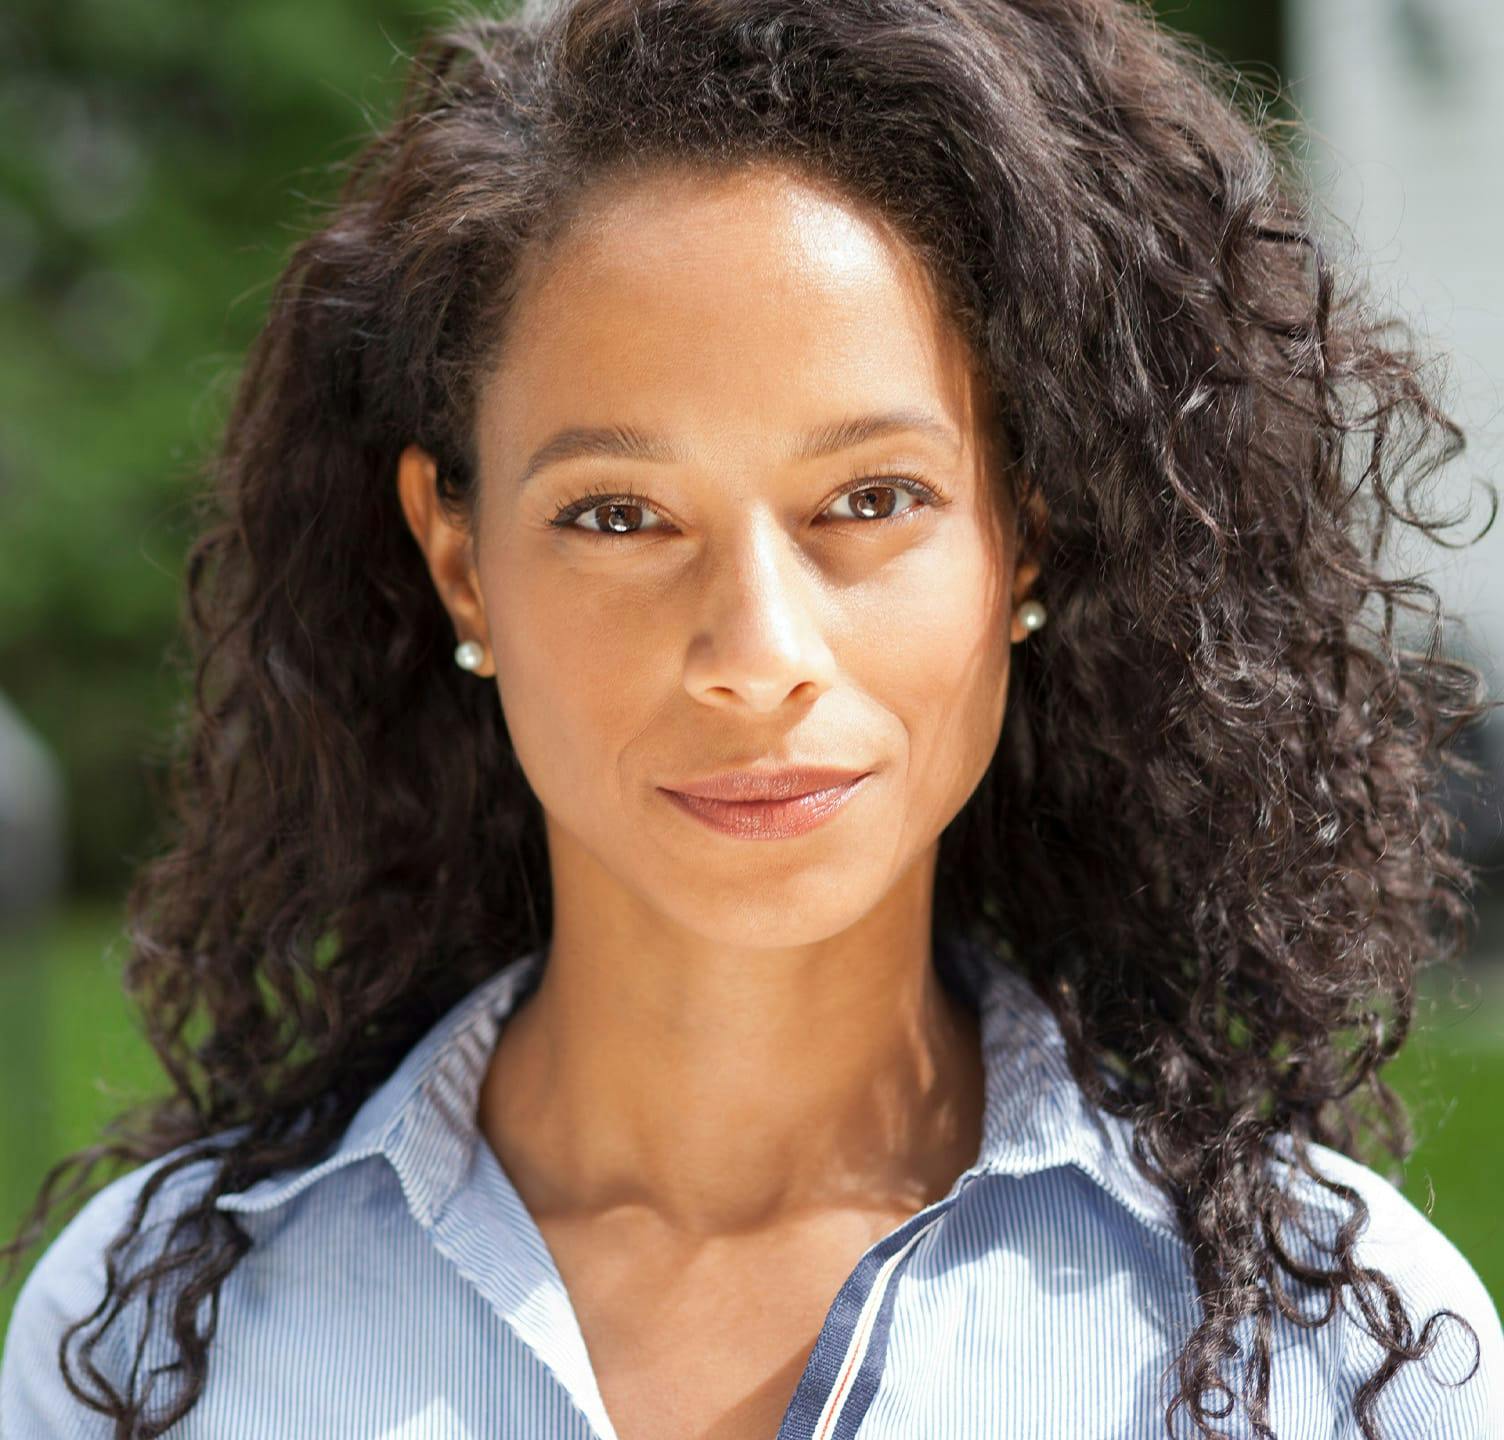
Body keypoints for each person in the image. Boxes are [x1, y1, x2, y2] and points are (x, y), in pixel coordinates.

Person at [2, 0, 1501, 1435]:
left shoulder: (1345, 1359)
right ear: (462, 563)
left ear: (1023, 538)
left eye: (872, 499)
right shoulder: (149, 1349)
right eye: (618, 514)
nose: (755, 655)